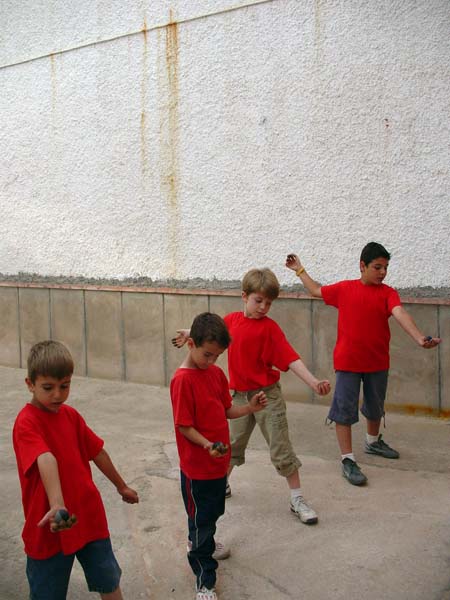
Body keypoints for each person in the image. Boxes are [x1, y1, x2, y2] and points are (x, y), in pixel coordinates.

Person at [172, 269, 330, 526]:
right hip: (235, 396)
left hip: (267, 396)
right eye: (259, 301)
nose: (264, 307)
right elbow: (211, 333)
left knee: (281, 447)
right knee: (230, 444)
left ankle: (297, 498)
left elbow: (290, 358)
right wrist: (190, 333)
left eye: (268, 303)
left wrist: (313, 382)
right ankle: (222, 484)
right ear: (244, 296)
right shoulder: (232, 321)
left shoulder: (270, 329)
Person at [286, 242, 442, 486]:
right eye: (377, 267)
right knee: (344, 410)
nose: (382, 272)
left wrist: (420, 338)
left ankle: (372, 442)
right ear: (362, 266)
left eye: (386, 267)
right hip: (348, 363)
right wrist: (299, 269)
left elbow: (400, 313)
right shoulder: (345, 289)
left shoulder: (388, 293)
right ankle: (347, 460)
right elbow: (316, 290)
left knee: (375, 406)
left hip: (378, 362)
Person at [12, 340, 139, 600]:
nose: (57, 395)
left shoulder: (71, 416)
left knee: (109, 580)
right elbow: (45, 457)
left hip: (88, 517)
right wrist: (57, 504)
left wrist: (121, 485)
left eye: (65, 386)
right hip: (50, 527)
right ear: (30, 384)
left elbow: (98, 453)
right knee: (47, 592)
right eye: (48, 388)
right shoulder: (26, 423)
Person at [170, 312, 267, 600]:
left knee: (209, 514)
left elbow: (226, 410)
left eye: (218, 356)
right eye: (207, 354)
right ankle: (205, 581)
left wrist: (249, 407)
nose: (212, 361)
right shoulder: (182, 380)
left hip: (216, 465)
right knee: (202, 521)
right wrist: (207, 445)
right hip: (197, 467)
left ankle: (199, 540)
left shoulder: (215, 374)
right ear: (191, 344)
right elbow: (184, 426)